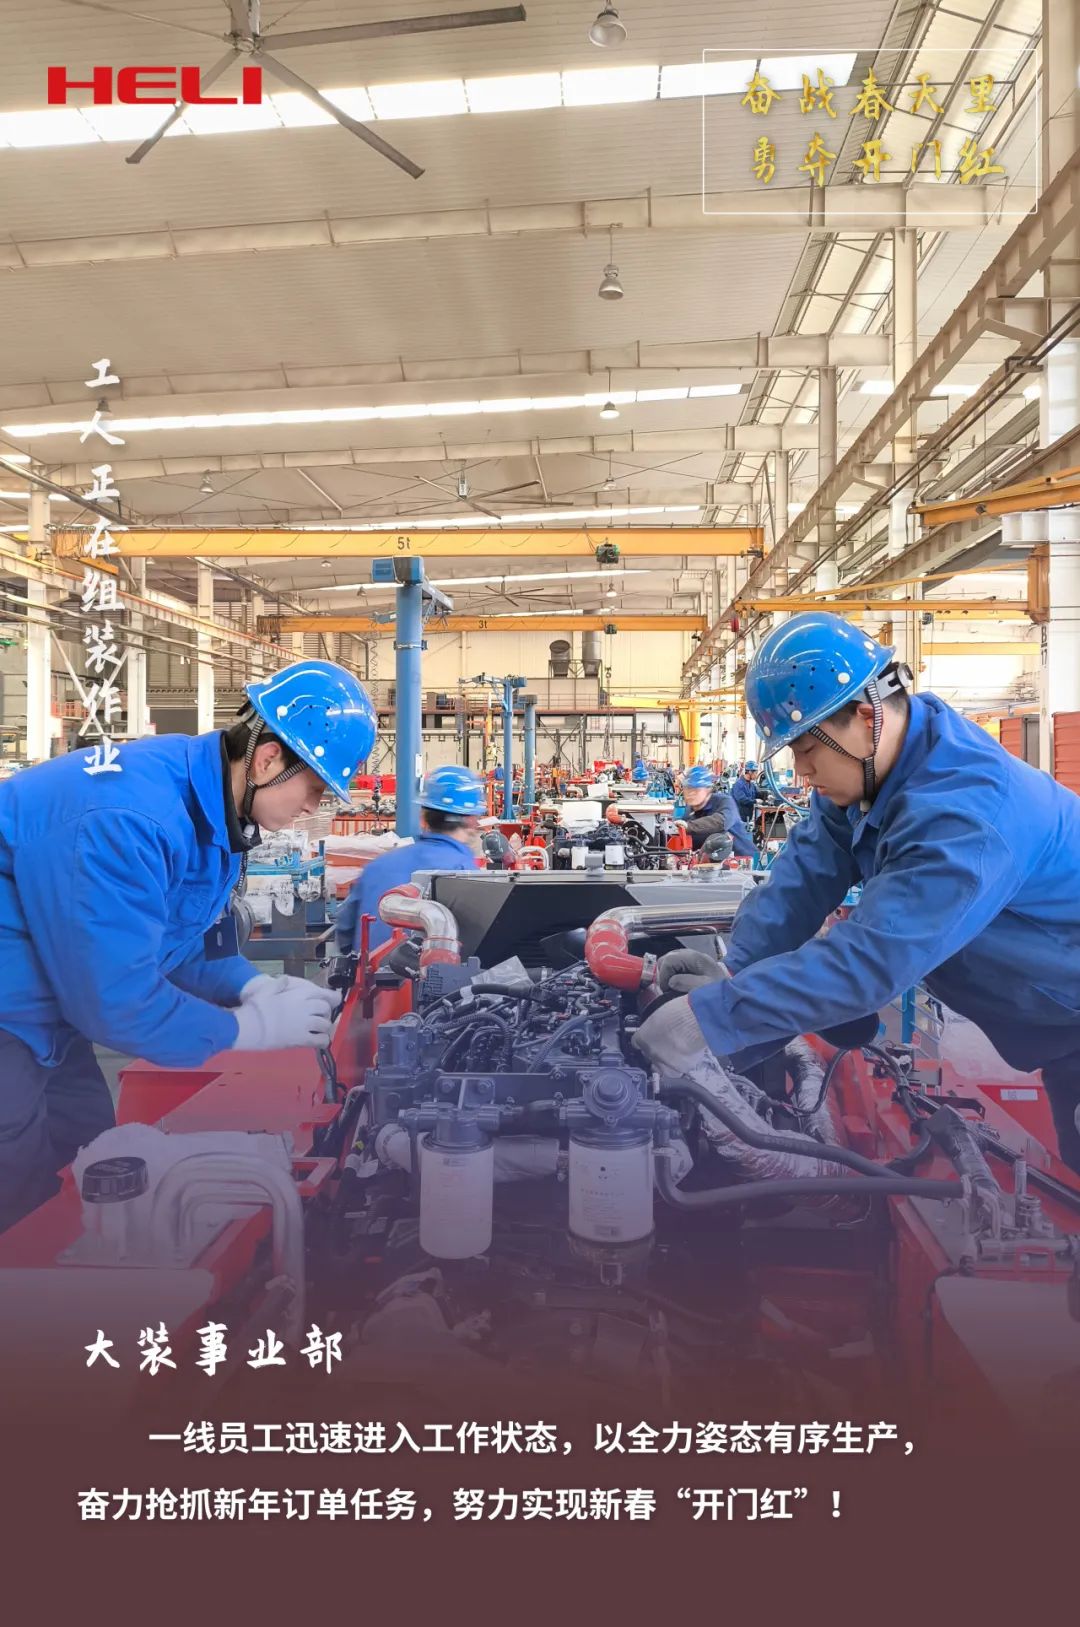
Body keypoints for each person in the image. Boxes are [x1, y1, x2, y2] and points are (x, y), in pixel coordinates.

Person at [633, 611, 1080, 1175]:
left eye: (805, 750)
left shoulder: (967, 813)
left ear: (866, 718)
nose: (801, 771)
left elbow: (873, 960)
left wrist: (709, 1019)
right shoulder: (872, 773)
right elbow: (800, 879)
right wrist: (733, 970)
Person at [0, 659, 378, 1232]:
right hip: (12, 1014)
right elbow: (118, 1001)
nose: (312, 809)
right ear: (268, 759)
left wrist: (253, 986)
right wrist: (246, 1030)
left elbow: (176, 942)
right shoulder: (131, 819)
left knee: (92, 1161)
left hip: (48, 1014)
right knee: (19, 1199)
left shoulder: (212, 810)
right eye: (314, 789)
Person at [336, 764, 486, 955]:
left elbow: (344, 931)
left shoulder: (377, 866)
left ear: (424, 815)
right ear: (471, 820)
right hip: (435, 973)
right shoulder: (467, 874)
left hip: (366, 972)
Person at [678, 764, 755, 860]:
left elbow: (721, 822)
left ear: (708, 789)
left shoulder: (725, 802)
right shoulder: (689, 811)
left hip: (743, 861)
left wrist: (689, 826)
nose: (691, 794)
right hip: (710, 863)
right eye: (687, 789)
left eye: (696, 790)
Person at [731, 761, 763, 826]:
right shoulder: (738, 785)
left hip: (747, 817)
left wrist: (767, 794)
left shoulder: (751, 784)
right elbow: (742, 799)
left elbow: (757, 794)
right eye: (756, 773)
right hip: (738, 818)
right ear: (750, 772)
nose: (756, 775)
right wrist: (755, 801)